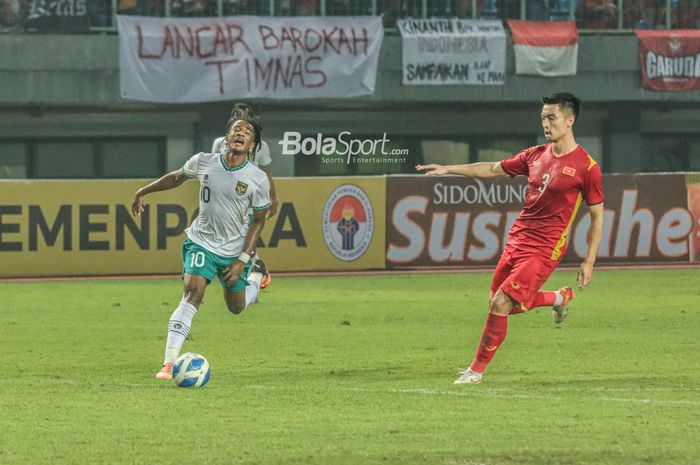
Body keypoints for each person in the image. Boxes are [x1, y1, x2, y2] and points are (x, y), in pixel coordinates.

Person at [416, 92, 604, 385]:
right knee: (501, 303)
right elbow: (492, 169)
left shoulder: (586, 167)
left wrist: (589, 260)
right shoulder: (534, 155)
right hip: (517, 240)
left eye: (551, 117)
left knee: (502, 303)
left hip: (545, 248)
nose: (545, 123)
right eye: (542, 117)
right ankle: (559, 297)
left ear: (570, 120)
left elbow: (597, 216)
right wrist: (449, 169)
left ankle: (476, 371)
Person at [131, 117, 271, 380]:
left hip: (233, 253)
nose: (241, 133)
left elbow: (259, 220)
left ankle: (256, 275)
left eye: (247, 132)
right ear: (227, 137)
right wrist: (143, 191)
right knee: (192, 292)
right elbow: (176, 178)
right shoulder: (204, 161)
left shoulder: (258, 179)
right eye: (236, 129)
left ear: (252, 145)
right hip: (201, 242)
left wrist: (243, 260)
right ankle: (170, 363)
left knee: (236, 307)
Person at [211, 103, 276, 289]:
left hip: (249, 198)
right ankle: (256, 267)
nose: (239, 118)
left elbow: (267, 172)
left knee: (242, 237)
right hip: (226, 199)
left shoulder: (261, 146)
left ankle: (251, 274)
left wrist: (274, 196)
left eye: (243, 115)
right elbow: (214, 168)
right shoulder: (220, 143)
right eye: (235, 115)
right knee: (235, 240)